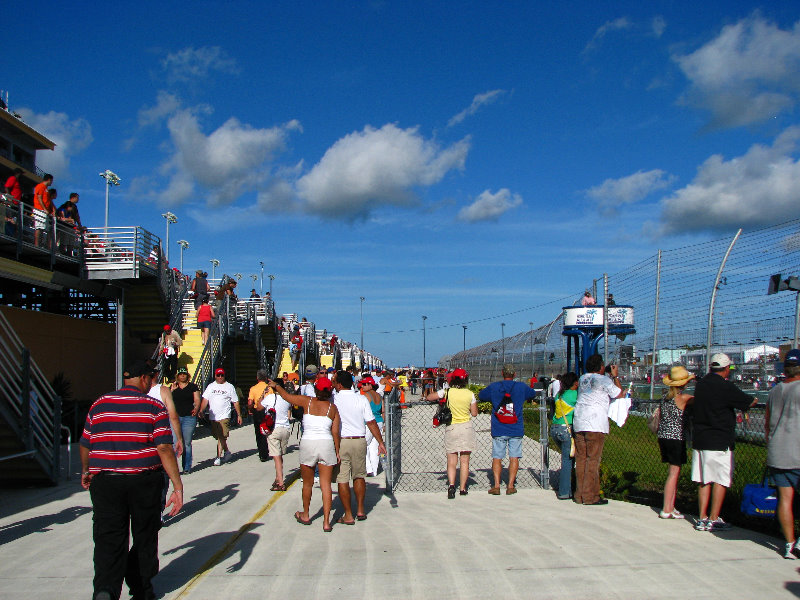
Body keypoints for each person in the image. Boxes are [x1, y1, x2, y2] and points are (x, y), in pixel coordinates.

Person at [79, 360, 183, 600]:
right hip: (143, 481)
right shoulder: (153, 406)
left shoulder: (99, 405)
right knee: (145, 535)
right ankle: (141, 589)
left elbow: (86, 443)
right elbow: (164, 448)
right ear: (145, 379)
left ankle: (105, 589)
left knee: (108, 536)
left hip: (105, 481)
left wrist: (86, 471)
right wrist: (177, 485)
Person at [691, 353, 758, 531]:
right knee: (720, 479)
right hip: (720, 439)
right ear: (726, 368)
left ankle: (702, 517)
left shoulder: (701, 385)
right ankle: (714, 518)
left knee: (704, 480)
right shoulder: (725, 386)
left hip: (700, 439)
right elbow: (749, 402)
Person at [270, 376, 341, 532]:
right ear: (329, 392)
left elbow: (287, 397)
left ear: (315, 389)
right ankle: (327, 522)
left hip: (308, 443)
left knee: (307, 483)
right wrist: (337, 451)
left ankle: (306, 514)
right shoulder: (332, 408)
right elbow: (335, 432)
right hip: (326, 443)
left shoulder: (307, 401)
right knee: (326, 485)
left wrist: (276, 386)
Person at [571, 354, 625, 505]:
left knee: (581, 459)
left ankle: (579, 494)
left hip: (580, 422)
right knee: (593, 460)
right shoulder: (604, 380)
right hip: (595, 423)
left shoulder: (583, 379)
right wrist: (615, 377)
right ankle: (589, 496)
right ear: (601, 367)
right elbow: (619, 394)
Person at [333, 370, 386, 522]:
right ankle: (361, 510)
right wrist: (380, 442)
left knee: (342, 479)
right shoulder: (361, 398)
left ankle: (348, 515)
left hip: (342, 441)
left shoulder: (334, 399)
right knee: (359, 476)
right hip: (359, 440)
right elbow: (371, 422)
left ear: (340, 384)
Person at [479, 366, 537, 495]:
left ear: (502, 373)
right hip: (516, 427)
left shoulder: (494, 387)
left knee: (497, 457)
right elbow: (532, 393)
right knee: (514, 457)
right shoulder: (521, 387)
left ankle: (497, 485)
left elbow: (481, 395)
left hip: (499, 427)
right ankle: (510, 485)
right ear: (515, 374)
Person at [766, 349, 800, 558]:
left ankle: (789, 543)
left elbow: (769, 424)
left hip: (778, 450)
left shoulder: (775, 390)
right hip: (797, 451)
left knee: (785, 500)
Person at [425, 368, 478, 498]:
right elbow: (474, 413)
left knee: (451, 460)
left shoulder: (447, 392)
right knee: (464, 461)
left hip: (451, 427)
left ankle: (452, 485)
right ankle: (463, 488)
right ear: (465, 380)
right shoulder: (470, 394)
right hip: (466, 427)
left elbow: (430, 397)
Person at [657, 366, 695, 519]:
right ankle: (666, 508)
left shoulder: (665, 398)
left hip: (664, 436)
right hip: (676, 438)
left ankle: (671, 506)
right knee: (673, 474)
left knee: (673, 472)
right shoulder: (683, 398)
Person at [199, 368, 243, 465]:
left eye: (221, 375)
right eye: (218, 375)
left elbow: (235, 401)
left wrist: (239, 415)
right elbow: (205, 399)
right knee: (218, 436)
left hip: (225, 415)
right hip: (213, 416)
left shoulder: (229, 387)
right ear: (215, 376)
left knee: (222, 435)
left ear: (224, 376)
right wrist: (201, 410)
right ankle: (227, 452)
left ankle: (218, 457)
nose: (220, 377)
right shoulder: (211, 386)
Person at [550, 372, 579, 499]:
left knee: (567, 457)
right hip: (566, 430)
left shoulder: (559, 395)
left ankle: (568, 487)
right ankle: (564, 492)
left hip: (555, 428)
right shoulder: (575, 394)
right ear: (575, 383)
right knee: (567, 461)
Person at [260, 377, 292, 491]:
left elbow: (258, 407)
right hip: (285, 429)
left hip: (274, 429)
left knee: (276, 457)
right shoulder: (286, 399)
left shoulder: (269, 398)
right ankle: (278, 477)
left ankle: (281, 482)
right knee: (280, 456)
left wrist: (263, 395)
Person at [170, 366, 201, 474]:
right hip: (175, 418)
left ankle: (186, 466)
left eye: (184, 374)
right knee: (175, 442)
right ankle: (173, 468)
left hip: (189, 417)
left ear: (187, 375)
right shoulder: (173, 387)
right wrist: (172, 391)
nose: (182, 376)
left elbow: (197, 399)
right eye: (180, 374)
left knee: (187, 442)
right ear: (177, 376)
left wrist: (196, 408)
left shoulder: (193, 386)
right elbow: (168, 400)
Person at [359, 376, 385, 477]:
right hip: (379, 421)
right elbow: (382, 410)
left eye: (364, 384)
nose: (362, 386)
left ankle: (368, 468)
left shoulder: (366, 395)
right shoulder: (379, 395)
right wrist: (384, 423)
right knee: (374, 447)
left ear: (370, 385)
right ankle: (374, 470)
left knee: (363, 445)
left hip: (369, 423)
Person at [247, 369, 272, 462]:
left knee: (259, 432)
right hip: (267, 411)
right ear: (266, 378)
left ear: (257, 378)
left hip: (257, 411)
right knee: (269, 431)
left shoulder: (253, 388)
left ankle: (262, 453)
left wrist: (250, 409)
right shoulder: (269, 388)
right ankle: (270, 450)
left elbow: (250, 402)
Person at [32, 174, 54, 248]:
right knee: (39, 227)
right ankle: (37, 244)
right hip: (40, 209)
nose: (52, 182)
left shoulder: (45, 188)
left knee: (42, 227)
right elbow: (39, 197)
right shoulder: (41, 186)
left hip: (44, 210)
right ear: (49, 179)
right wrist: (44, 209)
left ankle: (39, 244)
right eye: (51, 180)